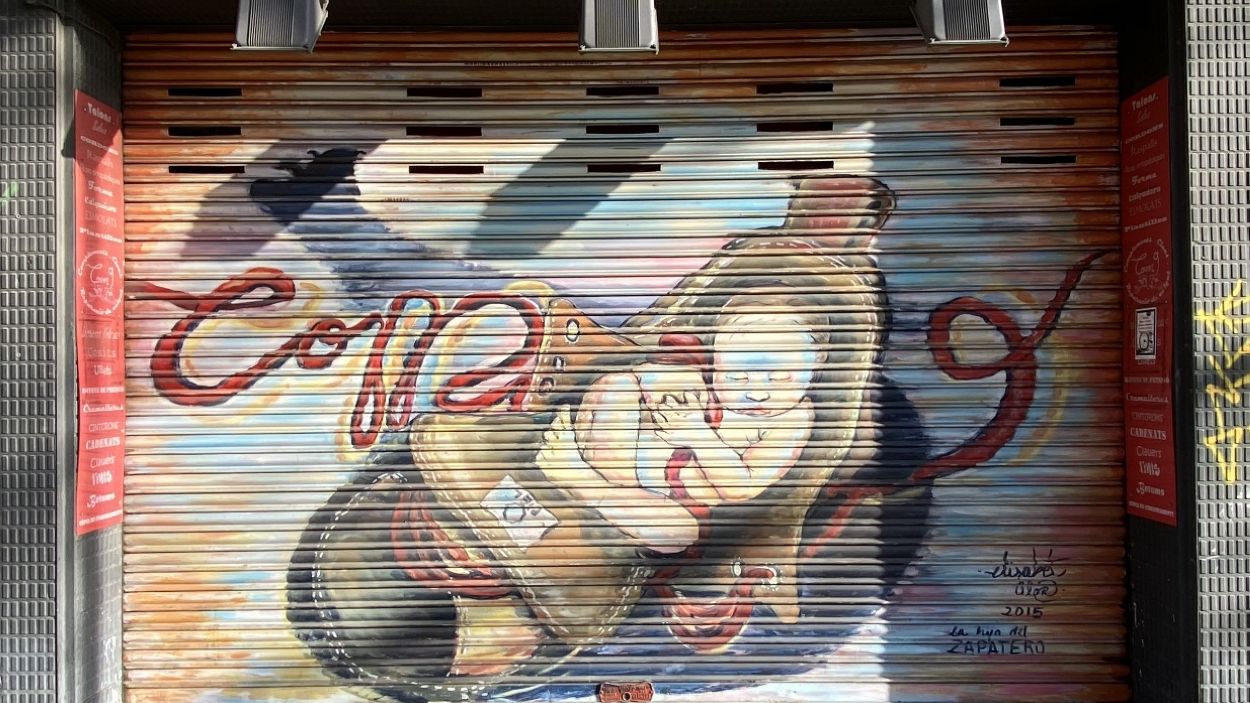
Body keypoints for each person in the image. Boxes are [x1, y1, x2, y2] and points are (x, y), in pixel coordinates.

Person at [534, 290, 821, 554]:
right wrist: (657, 381)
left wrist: (699, 435)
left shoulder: (792, 419)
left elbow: (742, 487)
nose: (757, 393)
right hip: (626, 459)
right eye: (738, 377)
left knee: (678, 533)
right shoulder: (705, 378)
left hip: (677, 498)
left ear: (814, 367)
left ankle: (580, 478)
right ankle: (593, 470)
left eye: (780, 378)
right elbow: (652, 376)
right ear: (717, 361)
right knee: (618, 384)